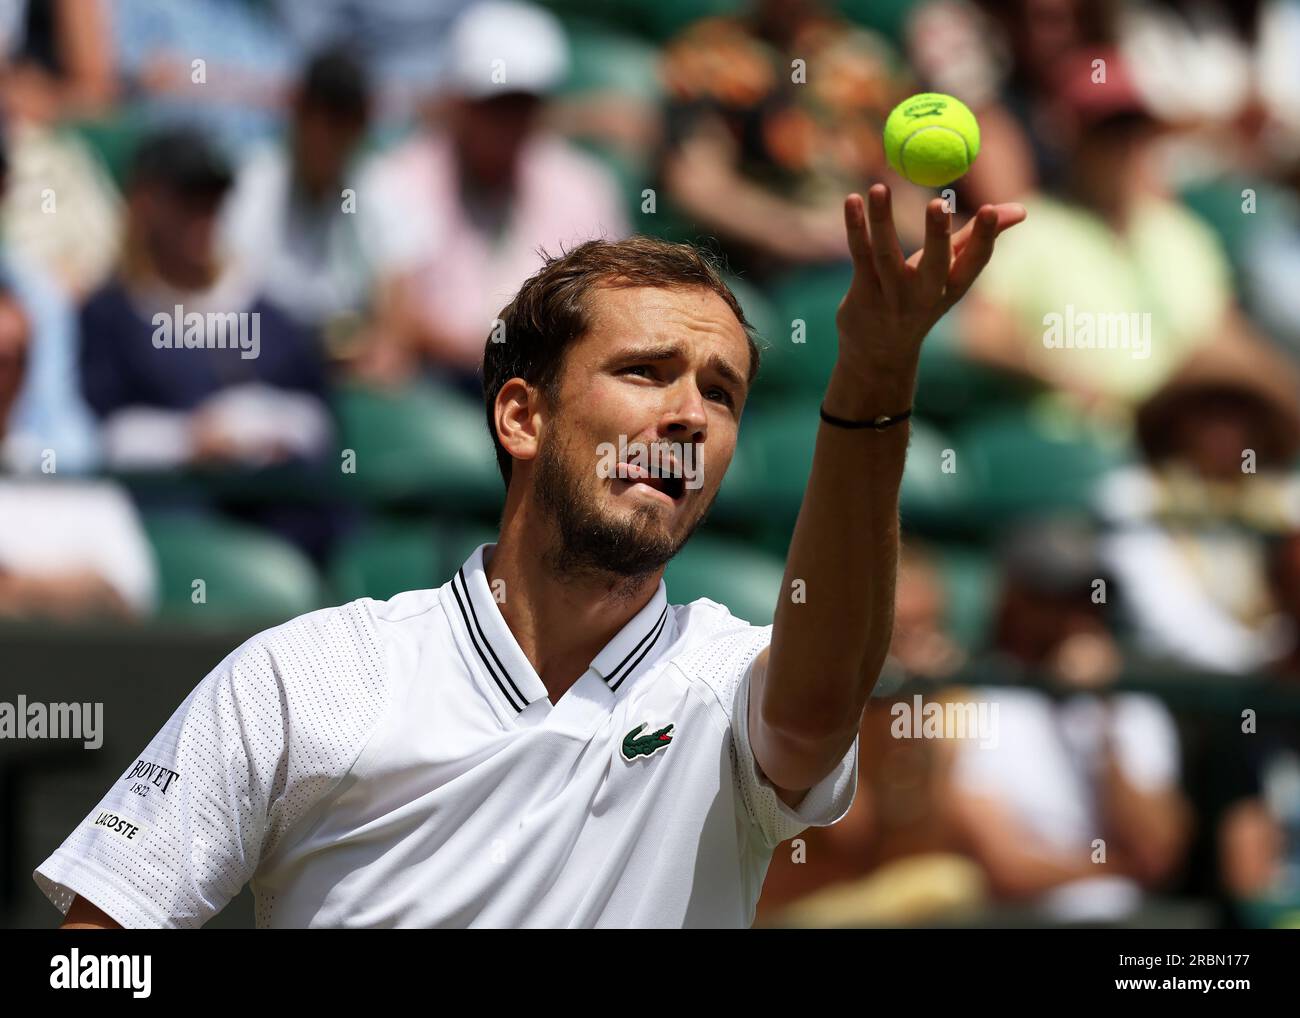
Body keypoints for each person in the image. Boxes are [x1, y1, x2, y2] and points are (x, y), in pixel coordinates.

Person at [31, 183, 1028, 928]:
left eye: (720, 393)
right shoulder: (304, 676)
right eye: (646, 371)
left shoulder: (729, 683)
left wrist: (875, 373)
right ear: (521, 415)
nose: (688, 413)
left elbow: (815, 711)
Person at [355, 0, 630, 391]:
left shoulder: (584, 186)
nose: (509, 122)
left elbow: (604, 312)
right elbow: (398, 321)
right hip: (440, 387)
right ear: (460, 103)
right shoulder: (395, 182)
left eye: (523, 105)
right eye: (495, 105)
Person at [0, 276, 155, 620]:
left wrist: (15, 589)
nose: (3, 374)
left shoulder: (72, 472)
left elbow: (124, 595)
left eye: (14, 359)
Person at [221, 46, 378, 349]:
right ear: (296, 112)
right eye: (315, 115)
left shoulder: (376, 188)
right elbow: (230, 300)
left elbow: (396, 308)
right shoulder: (253, 183)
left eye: (340, 120)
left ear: (360, 128)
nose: (324, 134)